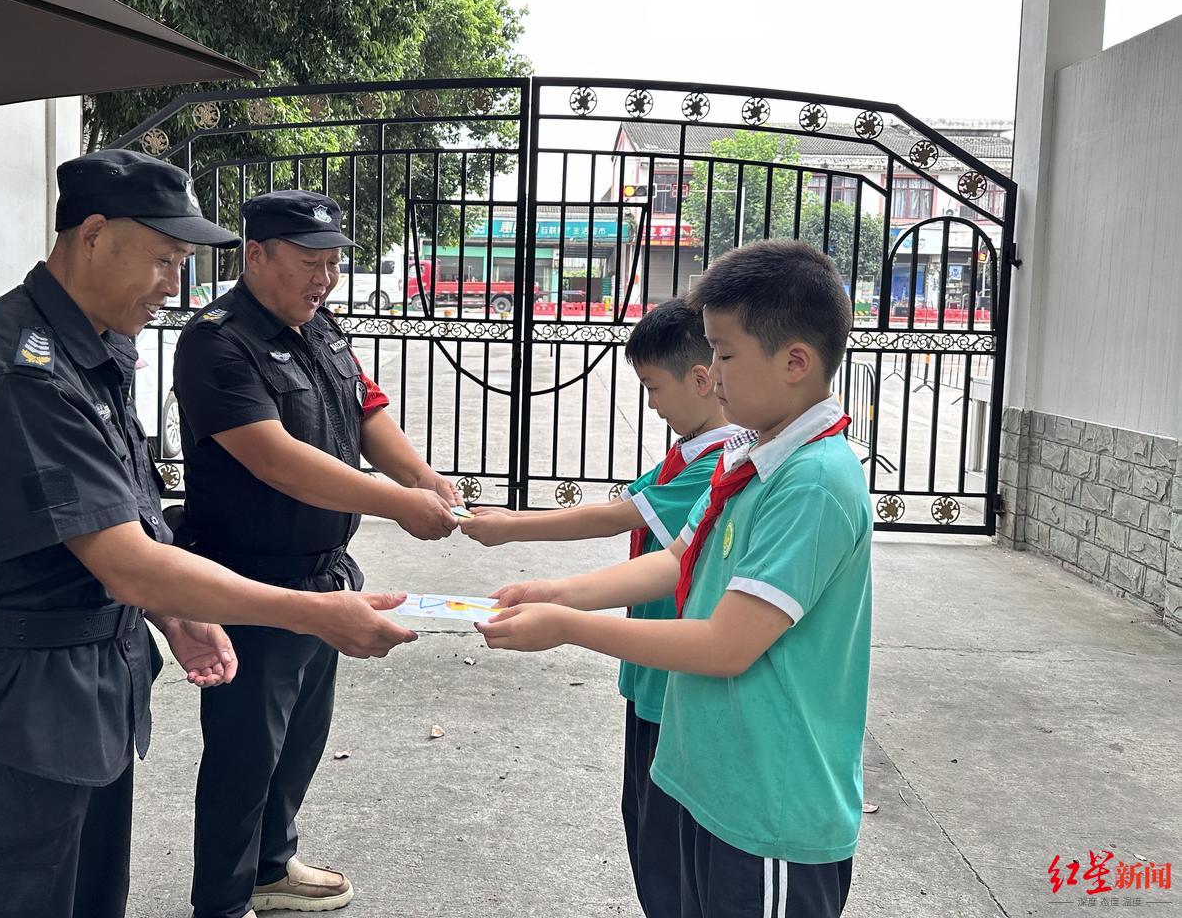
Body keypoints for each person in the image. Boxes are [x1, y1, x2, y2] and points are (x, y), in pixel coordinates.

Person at [0, 150, 416, 918]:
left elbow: (114, 515)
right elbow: (126, 561)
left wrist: (173, 613)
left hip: (87, 685)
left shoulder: (91, 348)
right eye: (163, 259)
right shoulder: (20, 370)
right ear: (92, 234)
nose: (174, 286)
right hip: (15, 698)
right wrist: (314, 613)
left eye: (181, 263)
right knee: (8, 892)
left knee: (87, 895)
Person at [477, 240, 873, 918]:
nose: (711, 375)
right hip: (713, 779)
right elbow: (677, 560)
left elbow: (725, 645)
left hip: (769, 806)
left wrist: (567, 627)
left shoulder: (812, 481)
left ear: (794, 362)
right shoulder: (754, 453)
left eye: (724, 354)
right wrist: (555, 594)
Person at [172, 190, 459, 918]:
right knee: (245, 755)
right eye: (309, 263)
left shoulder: (320, 324)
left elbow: (365, 411)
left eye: (332, 263)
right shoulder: (217, 342)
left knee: (299, 739)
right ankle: (222, 902)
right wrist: (396, 504)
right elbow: (274, 459)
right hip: (249, 580)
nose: (324, 279)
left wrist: (422, 479)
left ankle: (270, 868)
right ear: (256, 254)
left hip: (324, 572)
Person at [459, 298, 742, 916]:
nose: (651, 404)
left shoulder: (724, 461)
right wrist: (550, 587)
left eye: (654, 388)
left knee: (666, 846)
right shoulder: (692, 452)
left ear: (702, 379)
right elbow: (631, 517)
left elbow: (621, 519)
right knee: (644, 825)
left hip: (674, 673)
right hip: (649, 669)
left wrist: (514, 531)